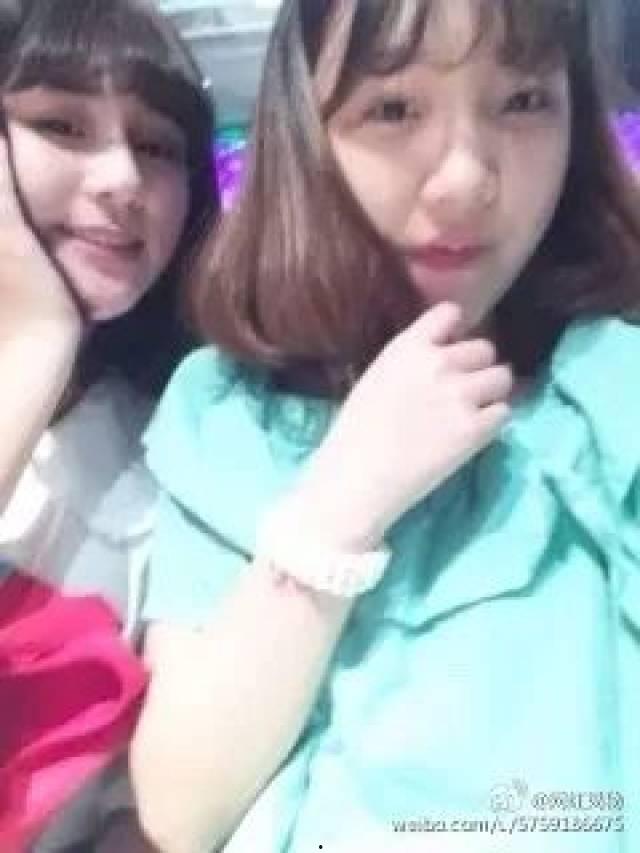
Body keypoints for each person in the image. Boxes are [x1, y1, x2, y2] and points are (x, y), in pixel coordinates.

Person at [130, 0, 640, 851]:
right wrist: (342, 501)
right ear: (307, 135)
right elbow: (182, 809)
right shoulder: (232, 412)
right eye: (394, 108)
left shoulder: (613, 382)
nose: (465, 179)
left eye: (523, 102)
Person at [0, 0, 218, 848]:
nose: (124, 178)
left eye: (159, 146)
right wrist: (34, 344)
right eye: (61, 125)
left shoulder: (187, 455)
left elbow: (146, 808)